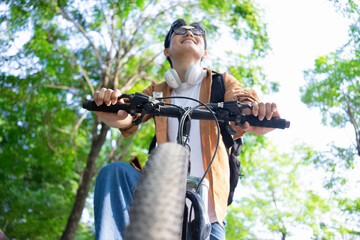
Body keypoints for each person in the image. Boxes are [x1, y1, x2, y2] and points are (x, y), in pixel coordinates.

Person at [92, 19, 280, 240]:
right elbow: (129, 116)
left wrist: (258, 115)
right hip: (158, 204)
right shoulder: (157, 91)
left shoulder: (222, 83)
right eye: (180, 31)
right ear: (167, 50)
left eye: (197, 32)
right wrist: (111, 113)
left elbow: (244, 106)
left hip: (208, 215)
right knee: (114, 173)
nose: (190, 33)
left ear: (205, 52)